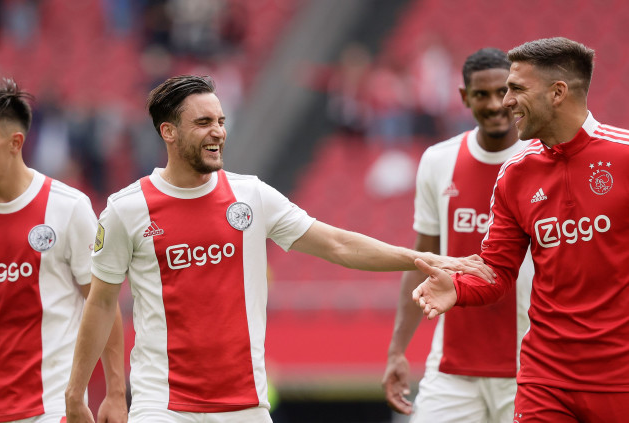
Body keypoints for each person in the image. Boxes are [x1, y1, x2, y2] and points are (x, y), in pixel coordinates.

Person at [63, 74, 494, 423]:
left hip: (245, 404)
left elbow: (339, 244)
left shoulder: (252, 196)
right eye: (203, 123)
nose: (218, 132)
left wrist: (422, 258)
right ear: (169, 132)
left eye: (221, 120)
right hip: (163, 404)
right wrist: (81, 393)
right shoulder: (127, 210)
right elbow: (101, 304)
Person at [413, 37, 629, 422]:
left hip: (620, 378)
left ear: (557, 92)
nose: (506, 101)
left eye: (516, 89)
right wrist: (458, 288)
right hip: (544, 380)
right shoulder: (515, 174)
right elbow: (498, 270)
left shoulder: (624, 157)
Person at [0, 79, 128, 423]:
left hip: (53, 409)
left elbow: (103, 303)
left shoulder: (69, 208)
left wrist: (116, 393)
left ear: (15, 143)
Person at [382, 48, 535, 422]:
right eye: (482, 94)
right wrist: (397, 350)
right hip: (452, 368)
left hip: (530, 365)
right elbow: (421, 260)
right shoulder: (438, 160)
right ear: (465, 97)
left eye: (502, 92)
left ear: (516, 93)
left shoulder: (542, 160)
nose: (494, 104)